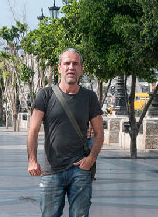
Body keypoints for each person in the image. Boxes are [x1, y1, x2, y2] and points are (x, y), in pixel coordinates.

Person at [27, 48, 104, 217]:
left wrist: (91, 159)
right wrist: (32, 160)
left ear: (81, 69)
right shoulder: (45, 95)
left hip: (80, 170)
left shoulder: (89, 97)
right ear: (59, 68)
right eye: (67, 63)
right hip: (51, 171)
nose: (71, 67)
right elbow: (33, 130)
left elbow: (99, 133)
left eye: (75, 64)